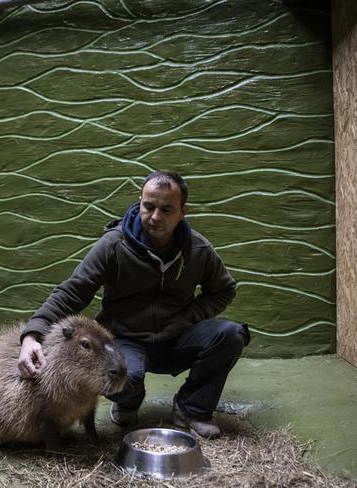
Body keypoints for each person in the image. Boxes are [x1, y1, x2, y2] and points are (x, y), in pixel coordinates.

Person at [17, 170, 249, 438]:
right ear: (140, 201)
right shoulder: (113, 245)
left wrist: (190, 317)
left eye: (167, 209)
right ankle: (128, 403)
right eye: (148, 206)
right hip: (125, 341)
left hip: (177, 336)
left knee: (231, 335)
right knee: (124, 375)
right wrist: (33, 333)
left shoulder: (198, 249)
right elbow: (73, 291)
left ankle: (192, 409)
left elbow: (223, 290)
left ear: (183, 211)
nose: (155, 217)